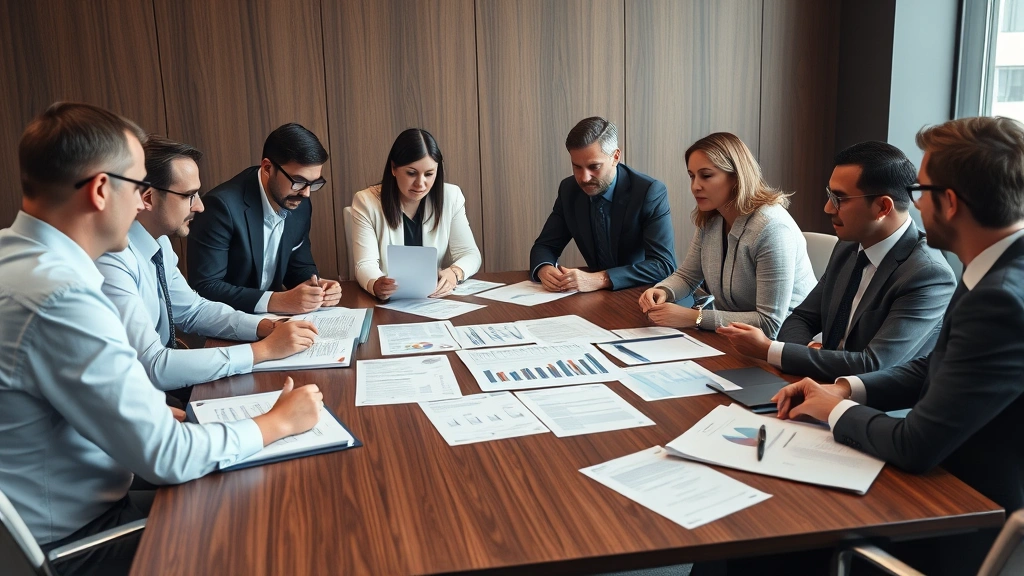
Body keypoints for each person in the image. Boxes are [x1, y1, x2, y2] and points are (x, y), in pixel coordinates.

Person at [0, 102, 323, 576]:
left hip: (84, 499)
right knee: (275, 530)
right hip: (80, 542)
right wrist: (276, 423)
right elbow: (167, 456)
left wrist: (139, 412)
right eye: (137, 188)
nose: (141, 204)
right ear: (101, 191)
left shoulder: (19, 258)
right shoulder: (61, 297)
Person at [772, 116, 1024, 575]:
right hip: (947, 479)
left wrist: (832, 411)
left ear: (949, 202)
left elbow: (916, 444)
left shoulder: (1000, 297)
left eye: (921, 192)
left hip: (966, 512)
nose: (915, 206)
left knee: (774, 540)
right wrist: (845, 390)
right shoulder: (997, 267)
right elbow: (937, 366)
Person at [96, 135, 320, 392]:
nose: (200, 206)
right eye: (189, 195)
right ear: (147, 198)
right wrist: (263, 350)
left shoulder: (158, 243)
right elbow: (154, 366)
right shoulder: (112, 260)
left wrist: (264, 327)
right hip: (138, 397)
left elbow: (192, 310)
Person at [718, 141, 956, 381]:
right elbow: (801, 318)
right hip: (816, 384)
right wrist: (814, 352)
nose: (828, 208)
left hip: (874, 407)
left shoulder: (928, 275)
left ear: (883, 207)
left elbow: (872, 365)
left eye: (840, 199)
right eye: (829, 195)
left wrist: (769, 350)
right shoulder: (848, 246)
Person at [638, 132, 815, 337]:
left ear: (736, 177)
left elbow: (769, 323)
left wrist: (694, 318)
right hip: (732, 335)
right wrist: (663, 290)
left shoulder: (772, 229)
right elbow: (688, 276)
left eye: (706, 175)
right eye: (692, 176)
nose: (695, 186)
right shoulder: (712, 218)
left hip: (786, 342)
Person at [187, 123, 342, 314]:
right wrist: (278, 300)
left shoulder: (299, 202)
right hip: (227, 321)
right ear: (268, 168)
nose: (307, 193)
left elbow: (298, 266)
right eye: (299, 182)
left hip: (277, 320)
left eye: (314, 183)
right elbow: (206, 287)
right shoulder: (221, 207)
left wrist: (318, 287)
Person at [530, 116, 676, 292]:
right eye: (577, 167)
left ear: (615, 157)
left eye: (594, 166)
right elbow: (545, 245)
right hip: (595, 297)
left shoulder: (649, 192)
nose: (584, 178)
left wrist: (601, 279)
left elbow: (663, 265)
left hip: (642, 293)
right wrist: (544, 269)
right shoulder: (569, 189)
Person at [351, 128, 482, 299]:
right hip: (387, 304)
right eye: (411, 173)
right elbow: (365, 264)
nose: (420, 183)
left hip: (432, 300)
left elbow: (470, 254)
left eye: (429, 174)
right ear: (394, 168)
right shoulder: (366, 201)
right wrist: (376, 283)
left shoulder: (451, 196)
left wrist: (454, 273)